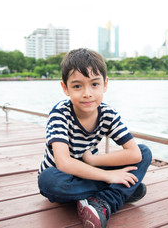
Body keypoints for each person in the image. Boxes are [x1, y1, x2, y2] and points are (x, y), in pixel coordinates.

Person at [38, 48, 152, 228]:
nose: (87, 93)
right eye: (77, 86)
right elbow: (63, 163)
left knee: (145, 152)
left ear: (105, 84)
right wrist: (108, 176)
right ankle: (121, 191)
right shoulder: (60, 113)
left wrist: (93, 160)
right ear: (65, 88)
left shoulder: (108, 113)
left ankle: (103, 203)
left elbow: (135, 154)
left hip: (91, 169)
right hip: (64, 177)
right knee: (48, 180)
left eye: (94, 84)